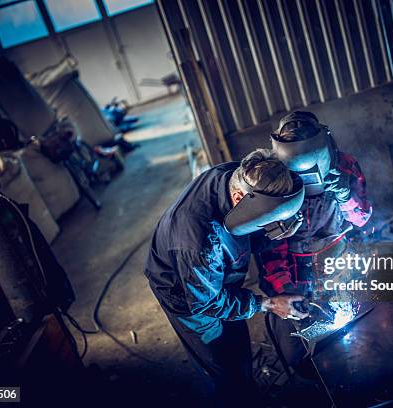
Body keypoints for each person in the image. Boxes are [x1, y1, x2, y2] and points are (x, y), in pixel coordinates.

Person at [144, 149, 308, 404]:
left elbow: (249, 226)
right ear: (239, 197)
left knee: (238, 345)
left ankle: (246, 390)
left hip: (216, 278)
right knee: (223, 367)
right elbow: (208, 304)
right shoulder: (200, 241)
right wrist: (268, 304)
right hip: (189, 297)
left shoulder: (236, 175)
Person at [257, 111, 372, 372]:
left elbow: (363, 219)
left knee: (360, 338)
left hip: (339, 266)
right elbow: (270, 252)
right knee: (302, 359)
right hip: (295, 272)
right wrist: (286, 293)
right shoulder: (272, 181)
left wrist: (347, 197)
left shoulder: (344, 167)